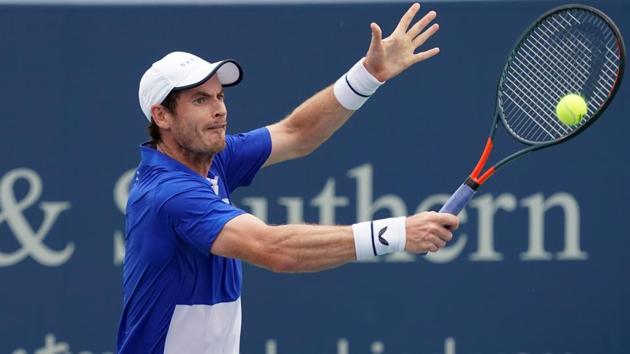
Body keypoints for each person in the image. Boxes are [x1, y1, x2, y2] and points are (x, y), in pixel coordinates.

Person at [117, 3, 459, 354]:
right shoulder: (169, 194)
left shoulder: (212, 159)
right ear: (162, 115)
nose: (220, 108)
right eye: (201, 100)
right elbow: (274, 249)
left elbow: (297, 133)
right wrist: (398, 233)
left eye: (220, 96)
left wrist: (368, 74)